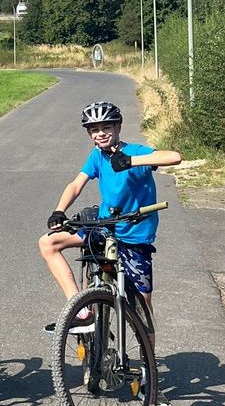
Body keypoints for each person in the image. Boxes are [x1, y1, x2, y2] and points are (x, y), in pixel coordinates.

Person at [39, 101, 181, 335]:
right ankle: (81, 311)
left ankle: (149, 364)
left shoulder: (135, 152)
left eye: (107, 127)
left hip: (135, 235)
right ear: (89, 134)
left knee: (142, 310)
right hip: (105, 227)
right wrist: (59, 210)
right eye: (95, 130)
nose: (101, 133)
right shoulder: (97, 156)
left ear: (118, 127)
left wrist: (130, 161)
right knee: (48, 242)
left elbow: (174, 157)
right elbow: (76, 184)